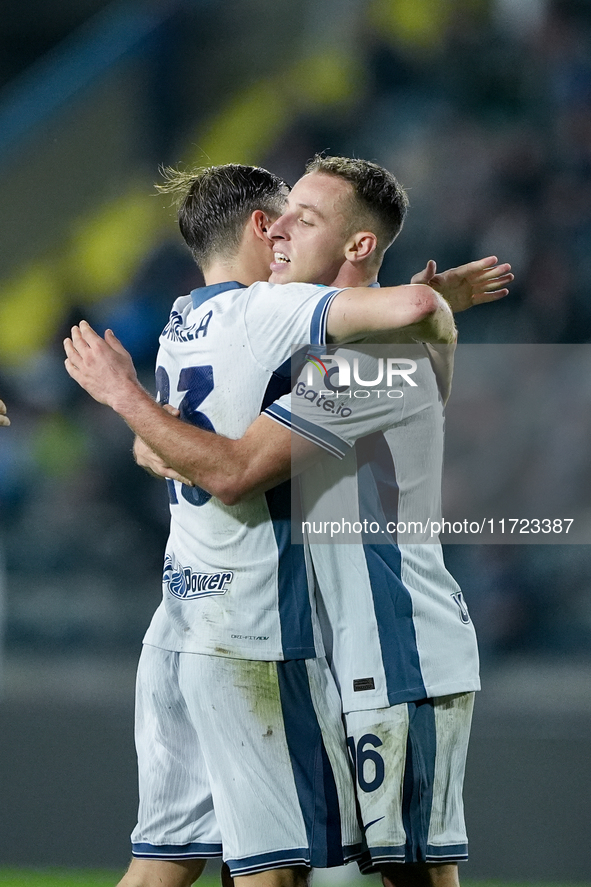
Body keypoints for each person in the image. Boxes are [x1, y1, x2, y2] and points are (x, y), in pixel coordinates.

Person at [64, 161, 457, 887]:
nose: (284, 233)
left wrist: (132, 409)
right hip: (257, 634)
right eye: (282, 218)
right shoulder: (270, 313)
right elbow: (234, 467)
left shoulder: (183, 320)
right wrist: (428, 303)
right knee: (281, 873)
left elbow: (158, 444)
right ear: (256, 227)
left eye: (303, 221)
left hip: (181, 627)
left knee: (160, 866)